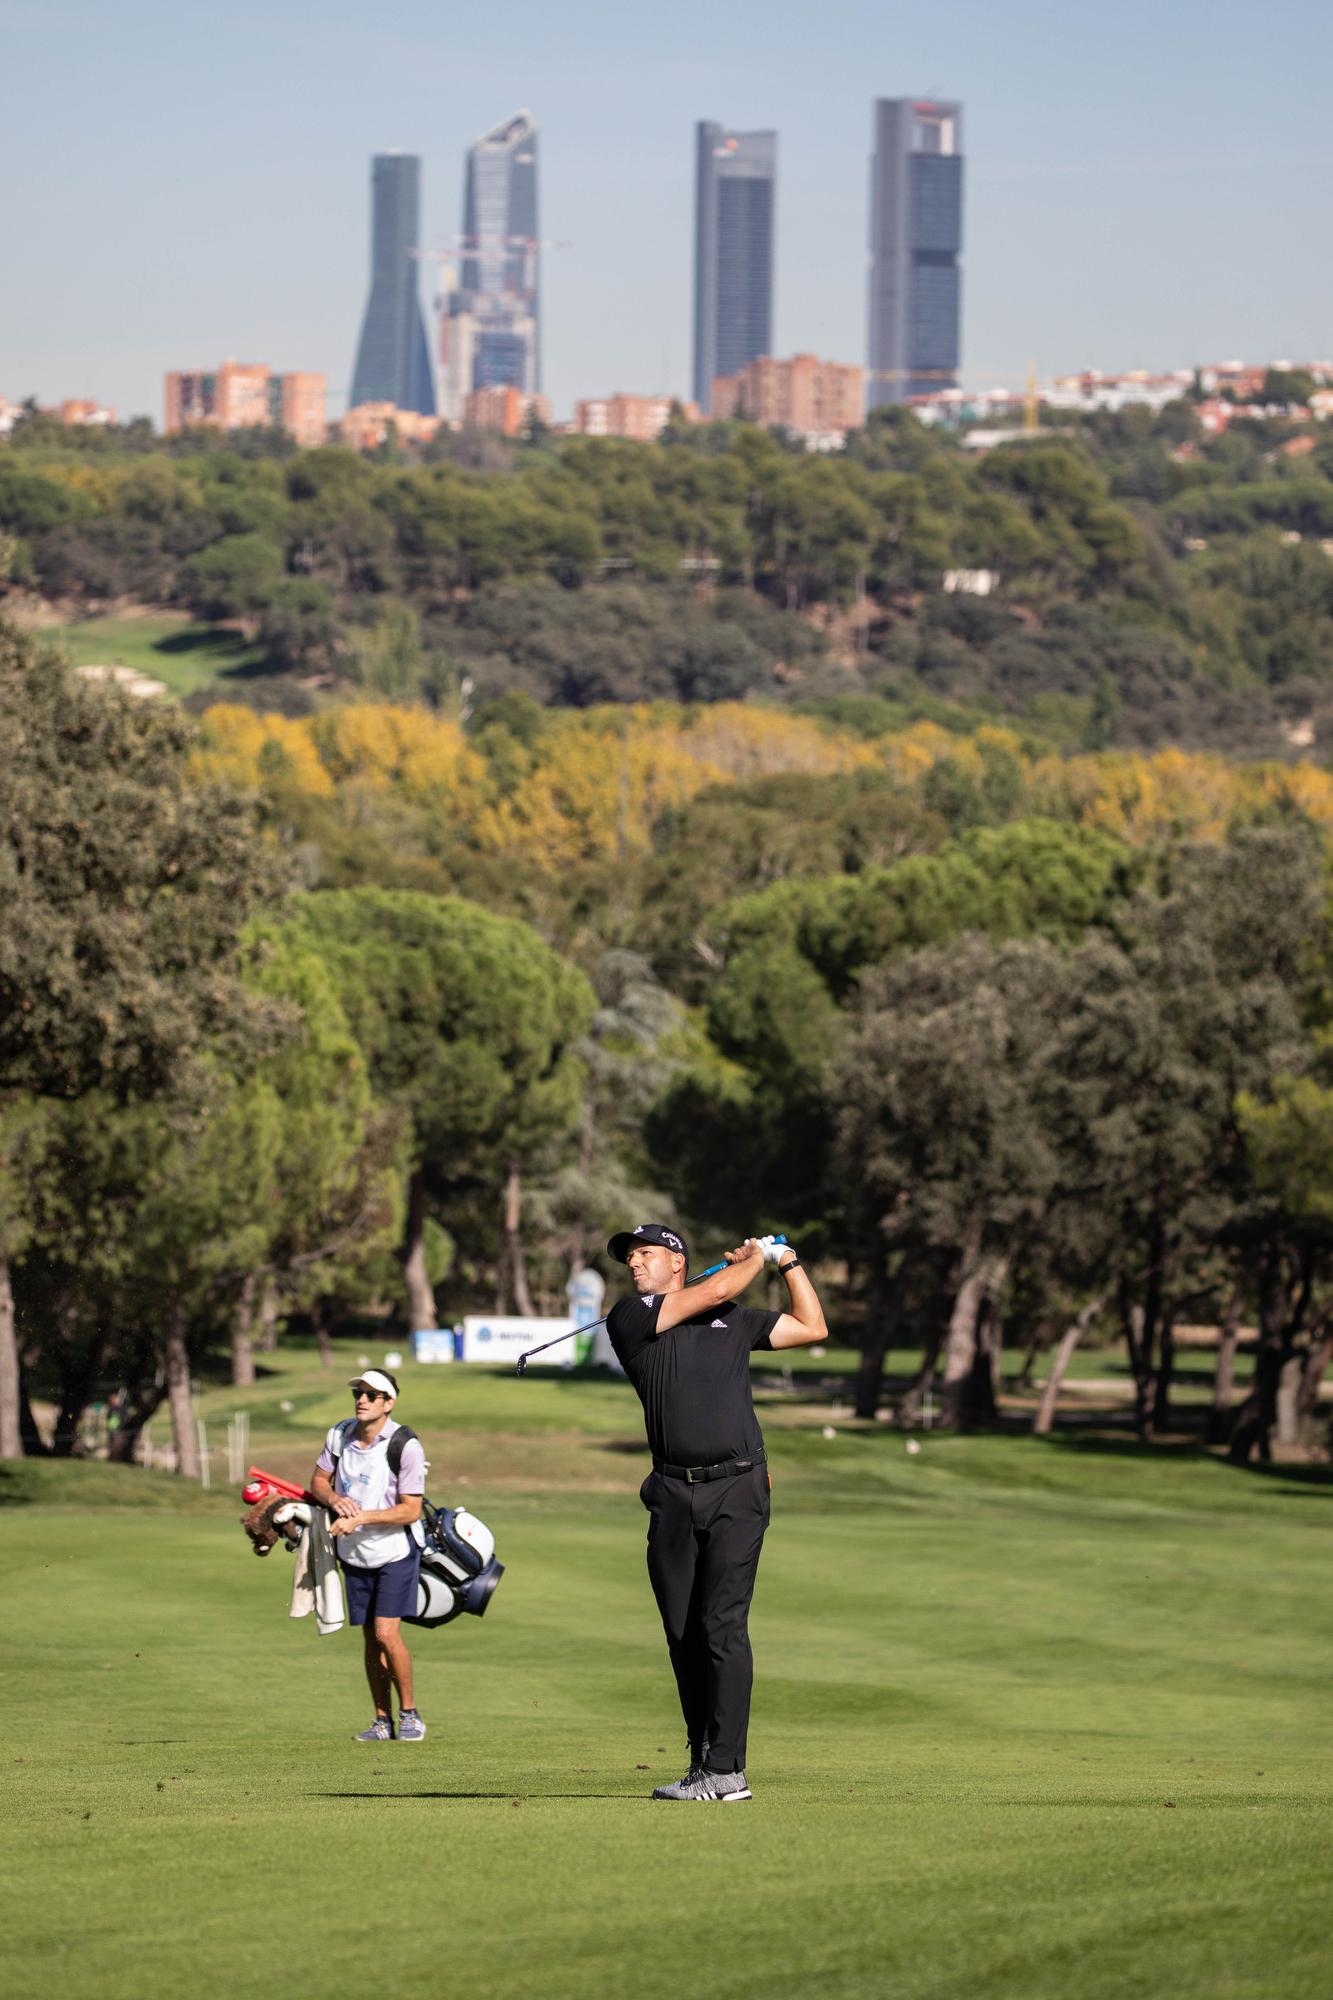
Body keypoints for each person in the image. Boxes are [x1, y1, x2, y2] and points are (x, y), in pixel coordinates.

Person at [605, 1222, 828, 1803]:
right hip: (672, 1493)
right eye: (630, 1257)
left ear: (677, 1259)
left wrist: (786, 1261)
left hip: (739, 1489)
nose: (634, 1264)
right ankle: (704, 1759)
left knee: (721, 1626)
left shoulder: (734, 1320)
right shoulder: (630, 1318)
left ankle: (728, 1769)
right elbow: (709, 1292)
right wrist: (756, 1258)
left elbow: (813, 1326)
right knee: (683, 1632)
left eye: (645, 1254)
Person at [309, 1368, 428, 1743]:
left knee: (386, 1633)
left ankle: (410, 1714)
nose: (362, 1399)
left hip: (394, 1552)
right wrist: (334, 1499)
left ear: (388, 1403)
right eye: (359, 1393)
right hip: (354, 1553)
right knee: (369, 1638)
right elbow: (317, 1482)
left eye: (372, 1394)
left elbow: (410, 1510)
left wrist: (360, 1516)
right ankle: (382, 1720)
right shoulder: (339, 1435)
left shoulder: (405, 1445)